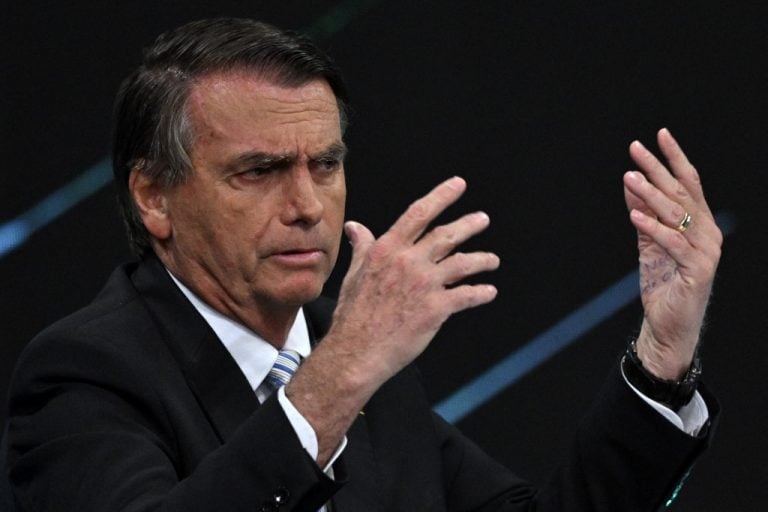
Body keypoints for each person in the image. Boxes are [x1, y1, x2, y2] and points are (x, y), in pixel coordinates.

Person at [3, 17, 722, 512]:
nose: (306, 206)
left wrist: (662, 357)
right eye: (258, 171)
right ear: (154, 196)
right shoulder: (84, 374)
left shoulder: (357, 360)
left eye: (325, 165)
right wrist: (340, 374)